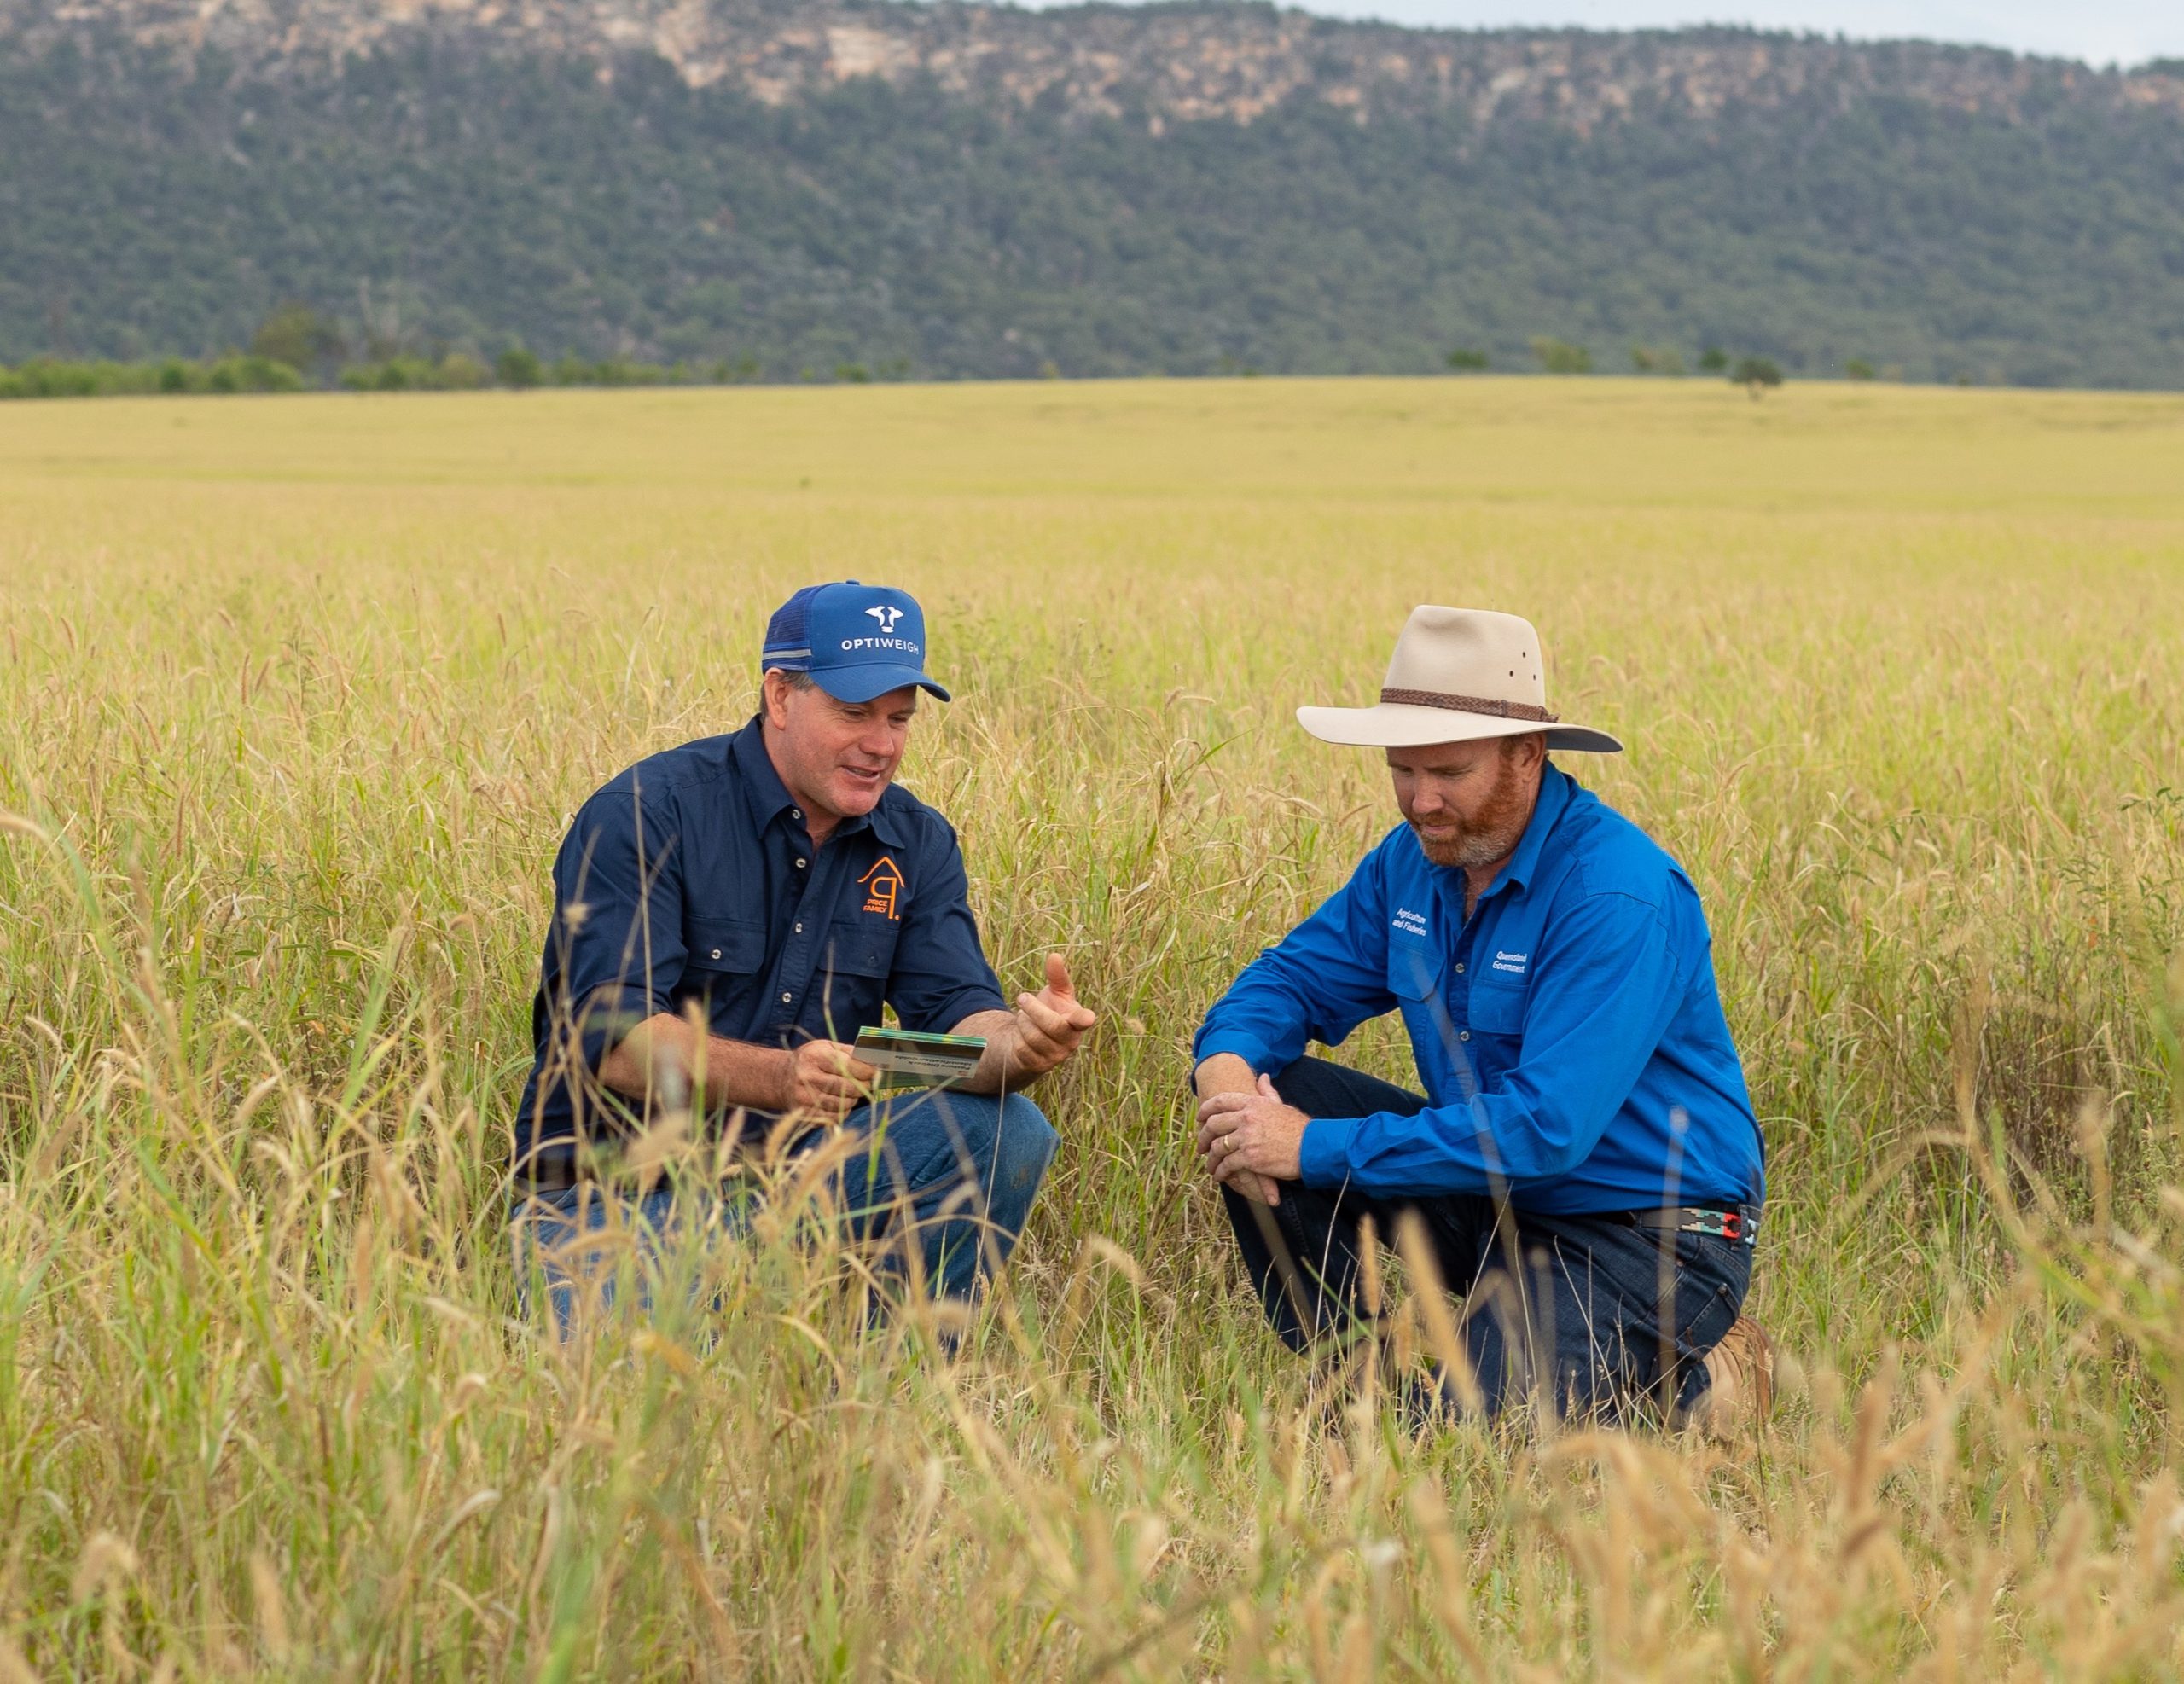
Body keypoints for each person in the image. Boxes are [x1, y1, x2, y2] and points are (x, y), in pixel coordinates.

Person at [1192, 607, 1772, 1428]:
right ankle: (1351, 1386)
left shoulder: (1616, 894)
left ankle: (1698, 1374)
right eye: (1402, 770)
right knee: (1271, 1094)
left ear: (1527, 755)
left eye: (1450, 773)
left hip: (1647, 1232)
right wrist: (1226, 1079)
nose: (1420, 802)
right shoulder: (1412, 863)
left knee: (1480, 1441)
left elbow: (1547, 1129)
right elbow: (1285, 982)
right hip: (1498, 1201)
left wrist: (1308, 1146)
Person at [509, 580, 1095, 1329]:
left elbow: (949, 1034)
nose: (882, 745)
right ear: (780, 696)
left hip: (799, 1189)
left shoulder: (916, 842)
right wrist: (781, 1077)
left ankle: (902, 1378)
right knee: (655, 1413)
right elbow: (611, 1044)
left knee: (1007, 1129)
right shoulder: (648, 814)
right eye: (855, 714)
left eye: (899, 719)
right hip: (614, 1200)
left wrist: (1018, 1045)